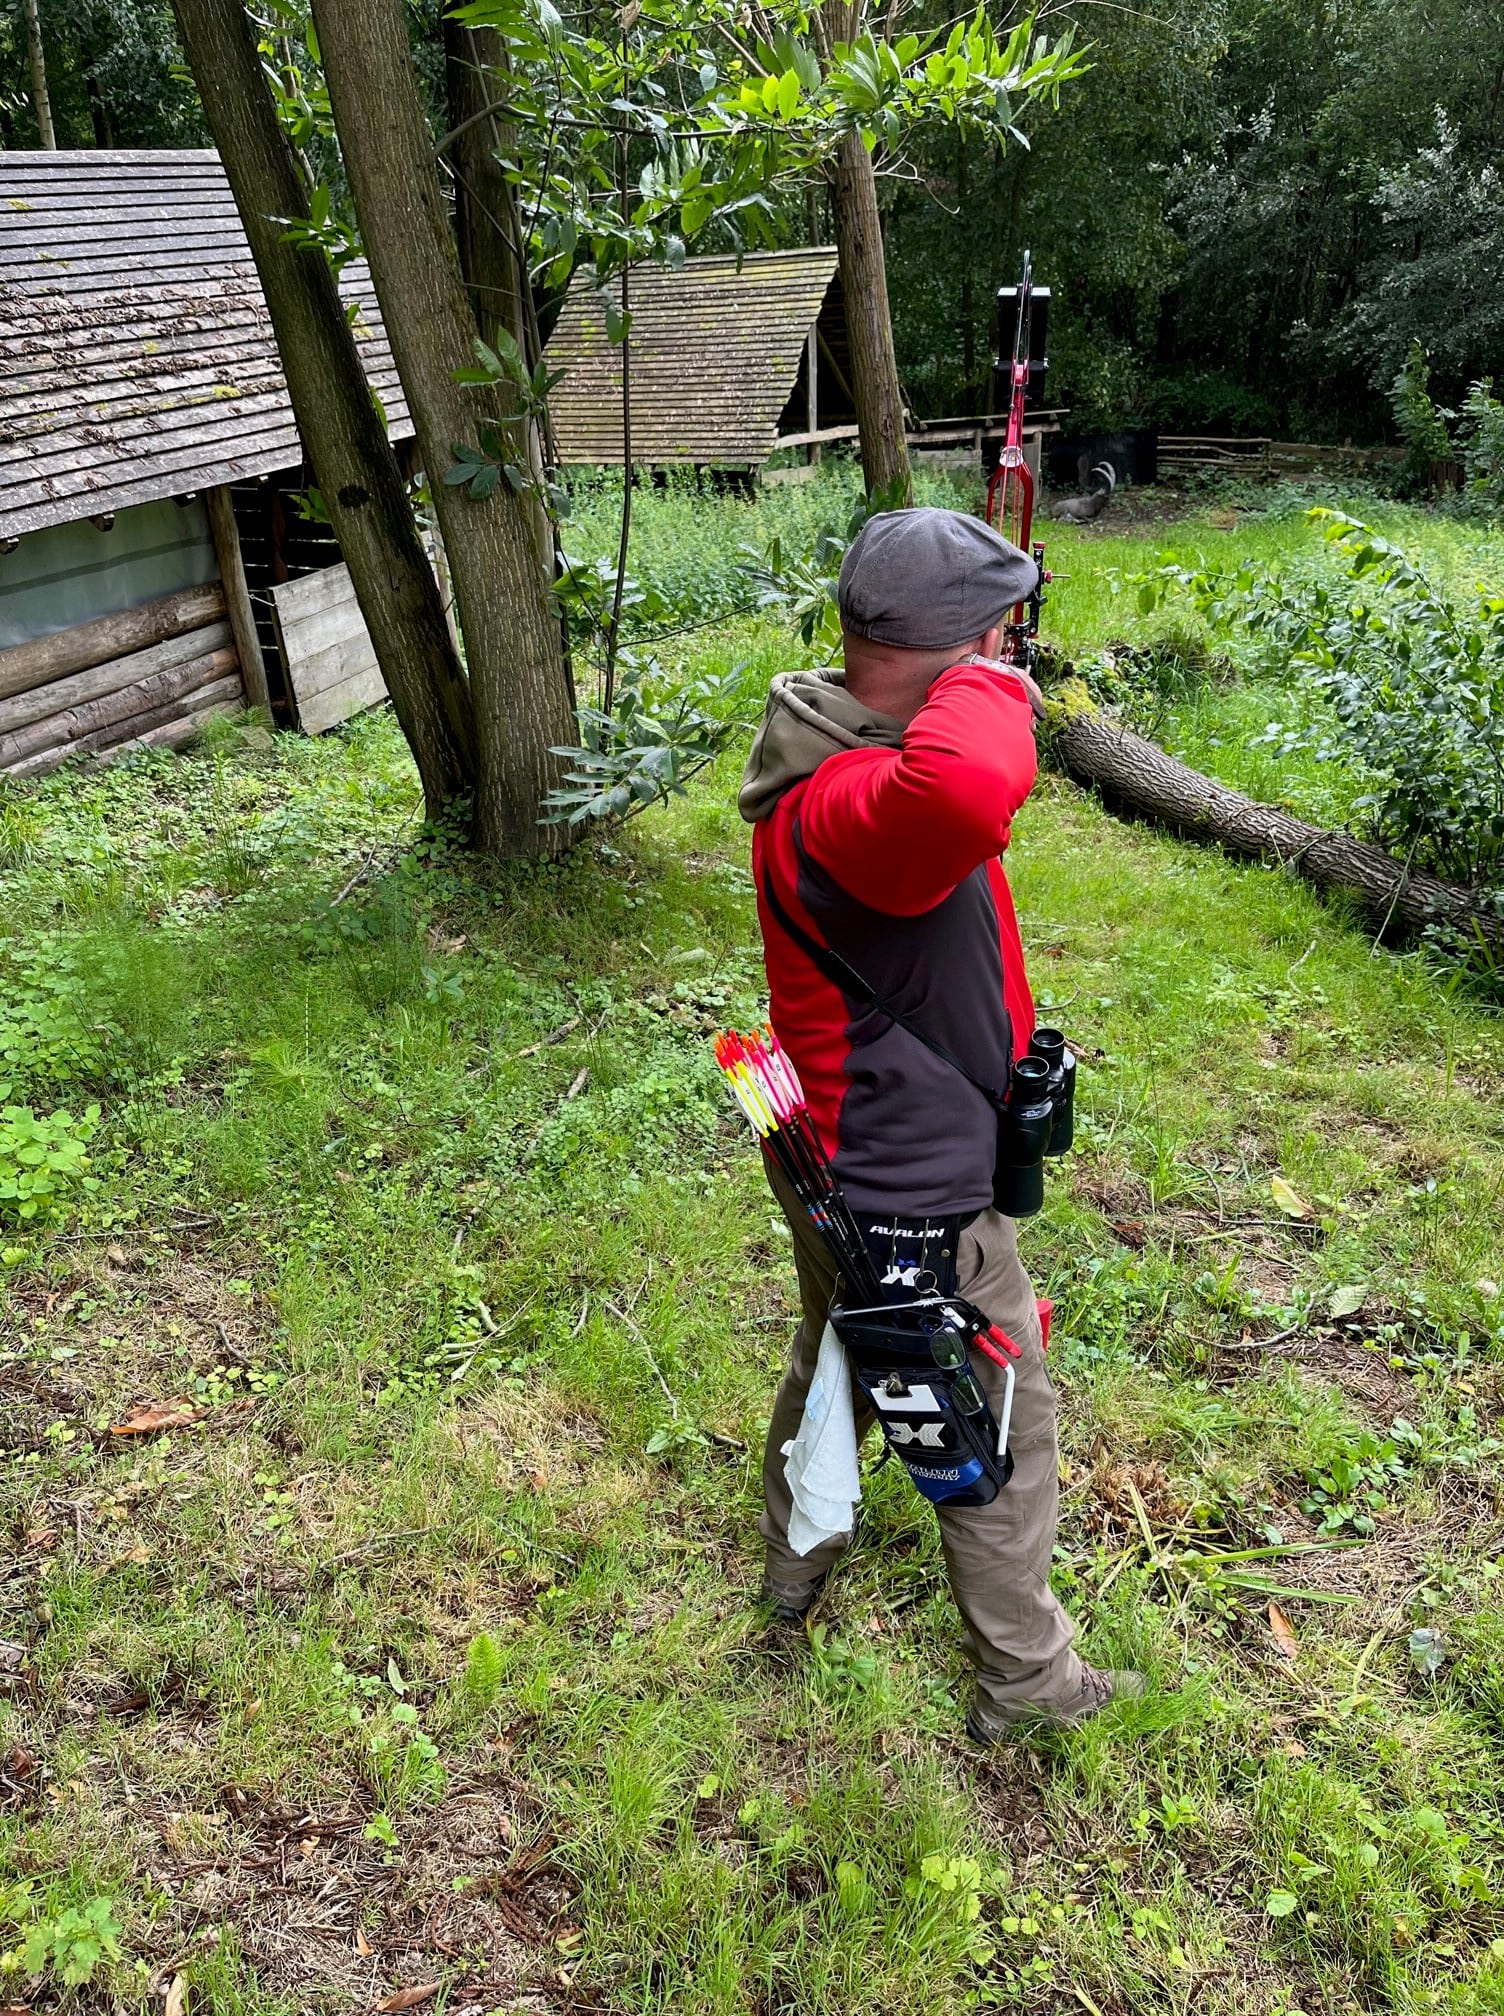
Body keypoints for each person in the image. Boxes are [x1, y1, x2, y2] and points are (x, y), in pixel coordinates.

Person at [738, 505, 1143, 1742]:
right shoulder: (851, 802)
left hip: (850, 1170)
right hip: (906, 1191)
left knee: (841, 1367)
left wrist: (966, 667)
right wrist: (984, 677)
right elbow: (973, 783)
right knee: (993, 1428)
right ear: (955, 644)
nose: (1017, 652)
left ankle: (790, 1572)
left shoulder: (856, 751)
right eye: (1000, 634)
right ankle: (1030, 1688)